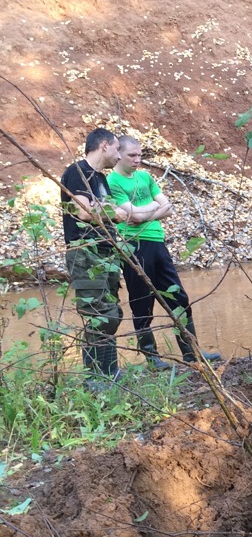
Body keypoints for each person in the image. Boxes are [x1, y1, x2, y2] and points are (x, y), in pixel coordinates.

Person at [106, 135, 222, 368]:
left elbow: (166, 208)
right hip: (134, 245)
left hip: (158, 242)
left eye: (140, 155)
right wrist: (150, 210)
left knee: (179, 297)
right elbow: (134, 217)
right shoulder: (113, 182)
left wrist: (142, 213)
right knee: (142, 302)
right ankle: (152, 359)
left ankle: (192, 354)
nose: (137, 160)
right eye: (132, 155)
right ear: (119, 154)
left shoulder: (145, 177)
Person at [61, 128, 163, 381]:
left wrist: (106, 208)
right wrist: (109, 210)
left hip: (107, 253)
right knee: (98, 316)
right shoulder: (77, 173)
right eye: (117, 149)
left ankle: (109, 372)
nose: (119, 156)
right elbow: (84, 212)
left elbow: (116, 211)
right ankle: (96, 379)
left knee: (111, 314)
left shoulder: (100, 179)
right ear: (104, 145)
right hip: (86, 252)